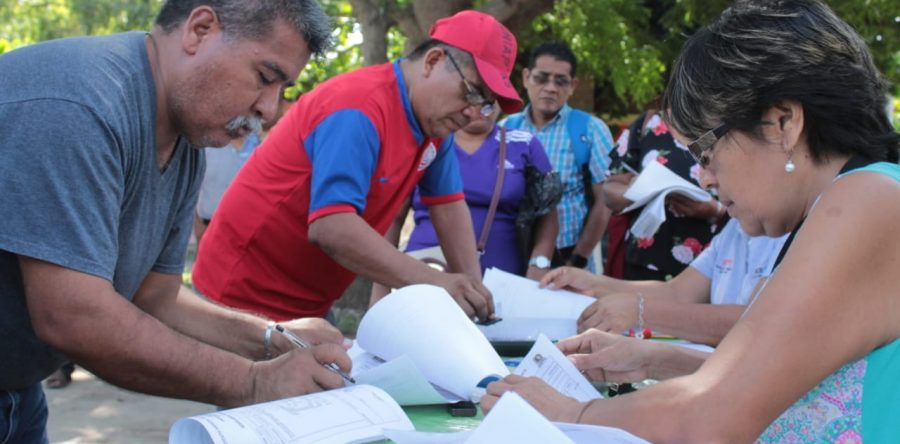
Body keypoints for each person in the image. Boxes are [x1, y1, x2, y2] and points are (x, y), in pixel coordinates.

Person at [482, 1, 900, 441]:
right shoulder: (851, 200)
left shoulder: (866, 198)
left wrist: (572, 412)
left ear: (782, 123)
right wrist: (655, 360)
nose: (704, 177)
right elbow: (778, 380)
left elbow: (713, 412)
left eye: (705, 153)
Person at [0, 2, 352, 442]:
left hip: (17, 390)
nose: (268, 107)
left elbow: (155, 294)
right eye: (264, 77)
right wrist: (254, 381)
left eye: (282, 88)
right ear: (199, 30)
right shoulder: (78, 105)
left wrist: (272, 338)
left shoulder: (186, 140)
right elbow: (73, 315)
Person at [192, 10, 524, 323]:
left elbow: (449, 206)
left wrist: (473, 293)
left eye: (484, 105)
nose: (471, 112)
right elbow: (332, 228)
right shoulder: (358, 107)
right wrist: (435, 282)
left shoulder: (436, 128)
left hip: (309, 307)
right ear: (433, 61)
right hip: (238, 298)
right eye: (470, 93)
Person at [542, 218, 787, 345]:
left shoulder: (797, 230)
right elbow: (679, 292)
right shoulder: (735, 226)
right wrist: (594, 285)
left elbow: (755, 321)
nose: (705, 179)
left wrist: (640, 311)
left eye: (712, 162)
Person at [404, 104, 560, 280]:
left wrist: (539, 262)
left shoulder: (524, 143)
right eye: (472, 99)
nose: (478, 108)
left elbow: (548, 211)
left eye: (487, 103)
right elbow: (395, 216)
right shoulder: (428, 139)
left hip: (502, 278)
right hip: (428, 268)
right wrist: (380, 290)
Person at [503, 41, 614, 272]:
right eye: (542, 78)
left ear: (573, 85)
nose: (551, 88)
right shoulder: (505, 130)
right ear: (526, 78)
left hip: (567, 262)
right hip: (510, 259)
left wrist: (578, 259)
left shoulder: (590, 130)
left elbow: (605, 202)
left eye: (560, 81)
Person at [605, 110, 728, 281]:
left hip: (709, 270)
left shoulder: (730, 128)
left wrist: (716, 210)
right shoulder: (649, 124)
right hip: (643, 265)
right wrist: (640, 189)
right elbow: (610, 189)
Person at [193, 95, 294, 242]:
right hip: (206, 228)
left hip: (247, 233)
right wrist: (197, 223)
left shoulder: (263, 146)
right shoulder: (210, 144)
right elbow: (195, 185)